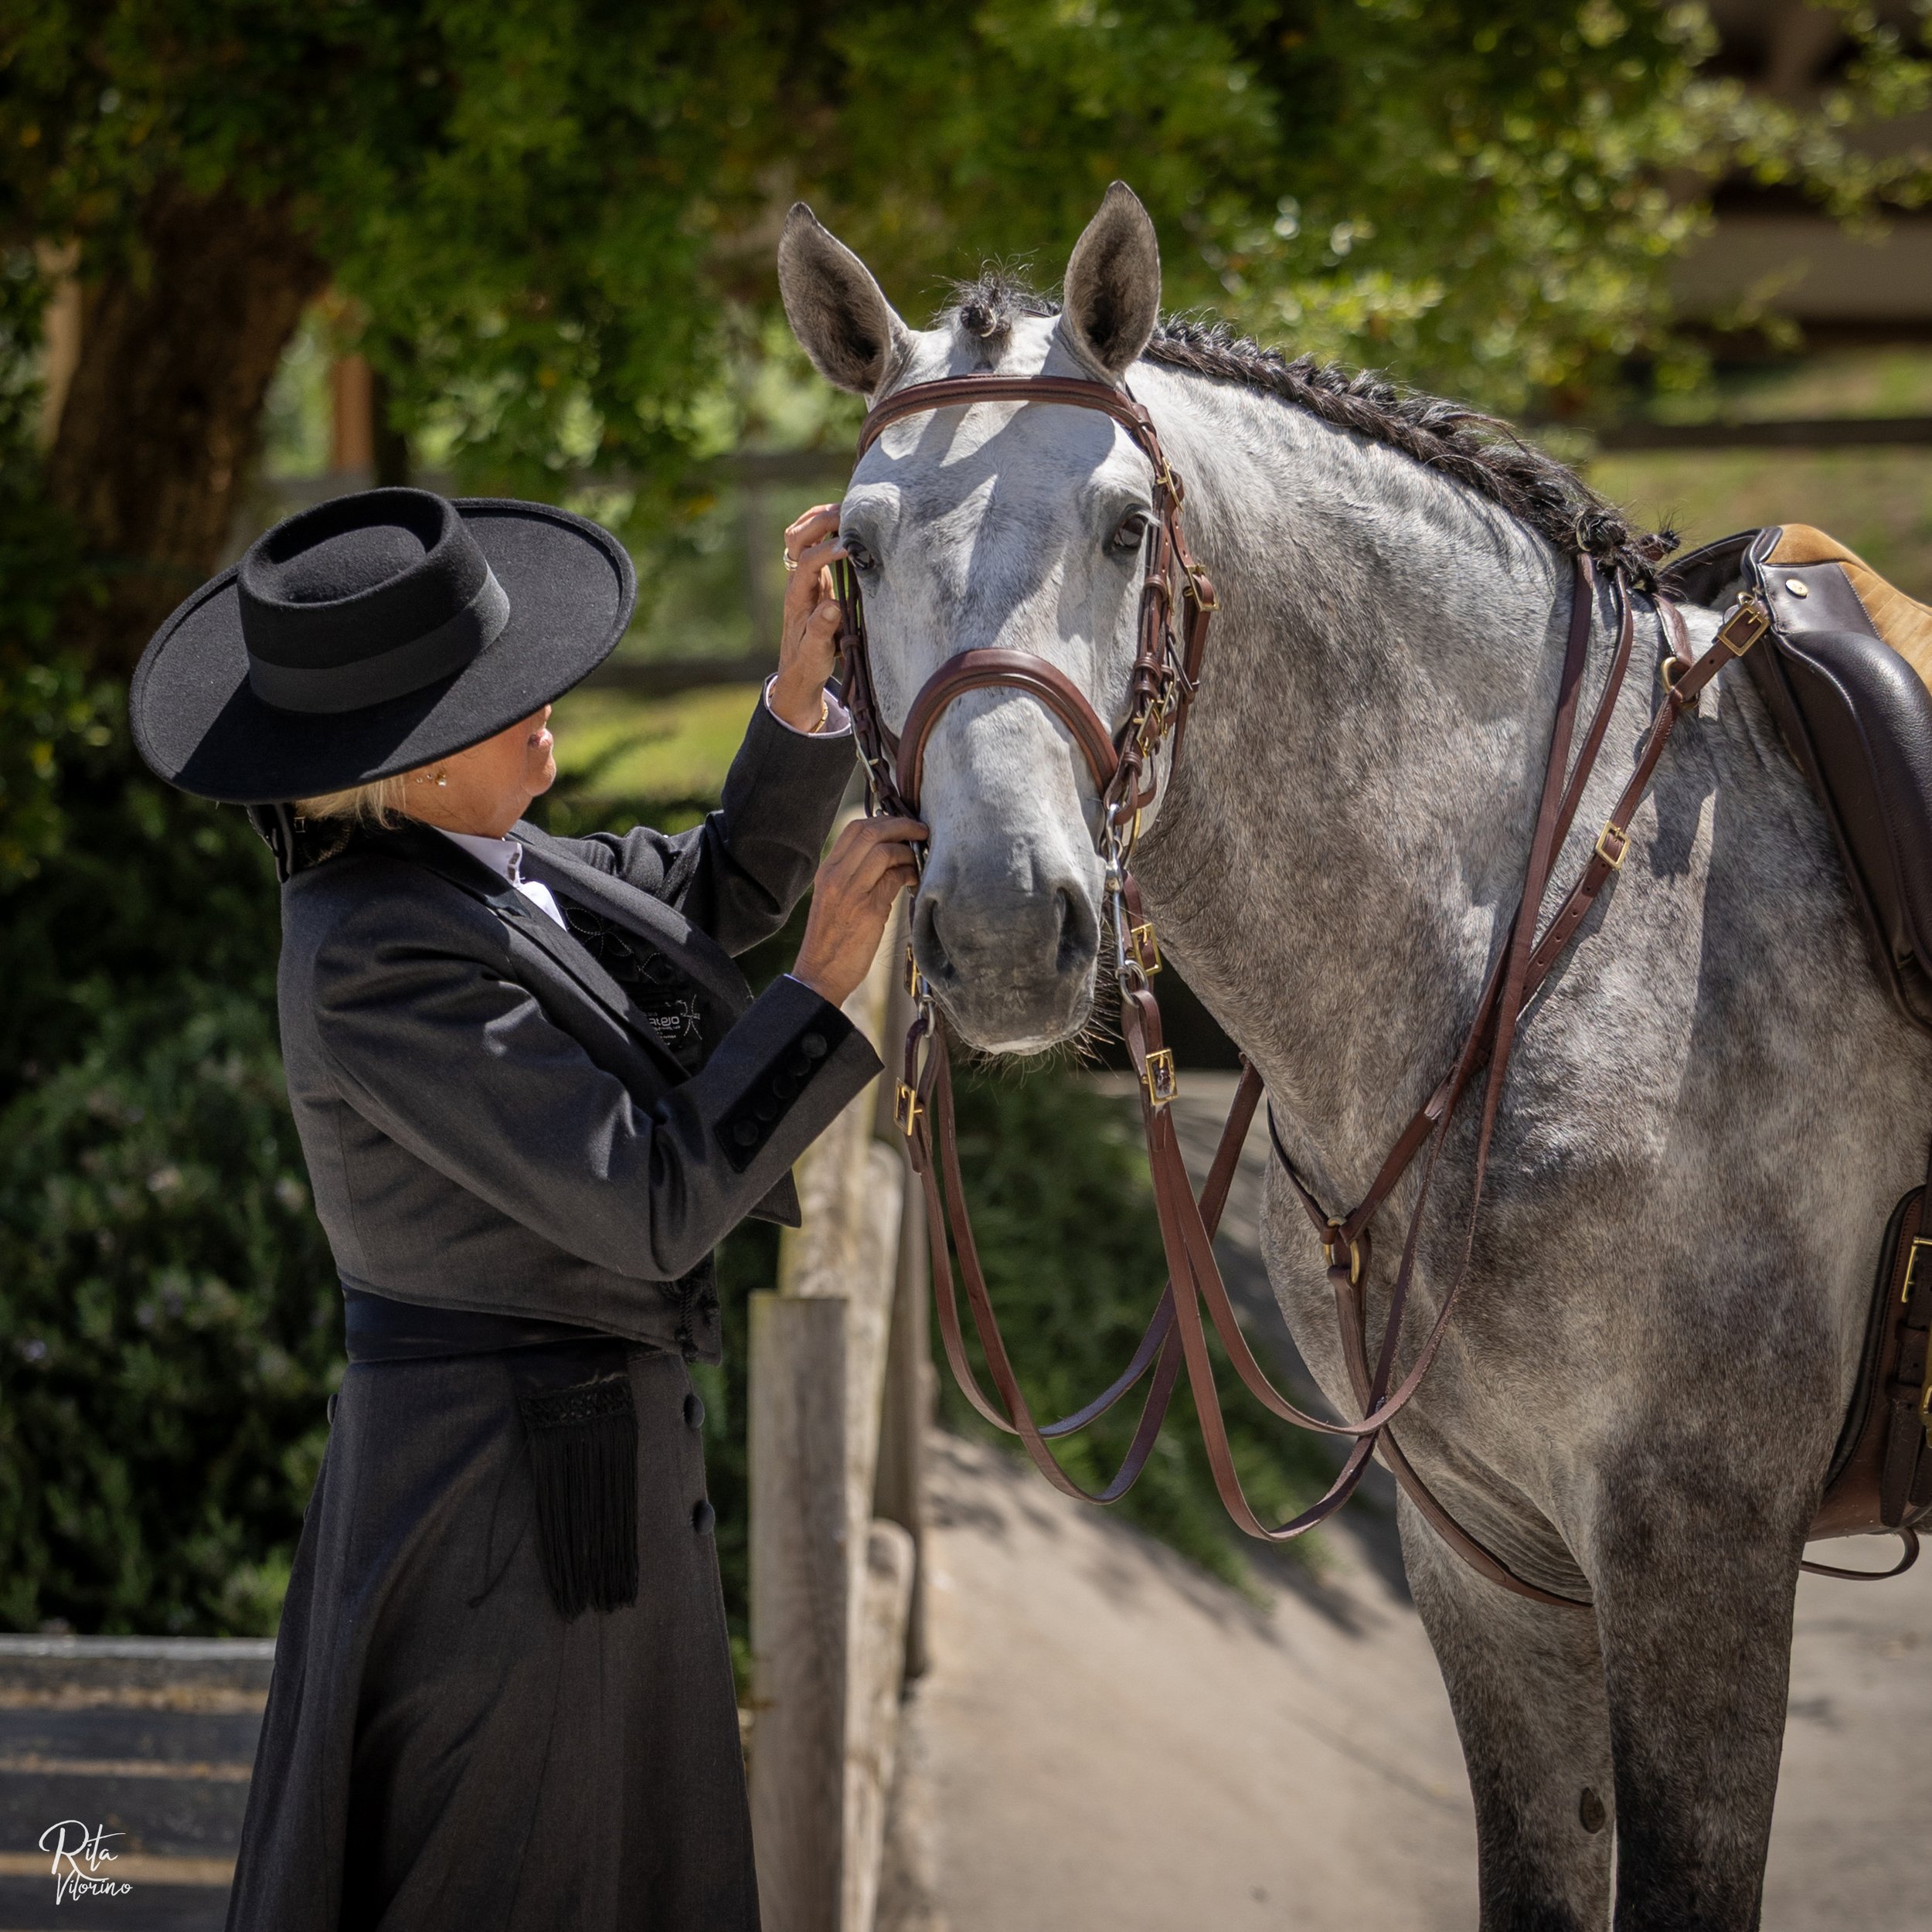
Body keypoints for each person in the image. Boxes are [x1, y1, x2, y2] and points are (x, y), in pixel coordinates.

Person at [128, 485, 924, 1930]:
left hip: (578, 1503)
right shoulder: (371, 958)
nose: (546, 696)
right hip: (496, 1536)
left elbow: (715, 890)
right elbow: (649, 1200)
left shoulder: (479, 863)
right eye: (498, 695)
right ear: (412, 765)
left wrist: (802, 694)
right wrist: (815, 994)